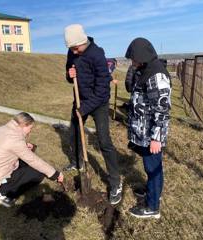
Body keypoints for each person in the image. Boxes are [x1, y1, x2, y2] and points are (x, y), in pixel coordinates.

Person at [63, 24, 122, 205]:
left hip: (98, 104)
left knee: (104, 141)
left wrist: (85, 108)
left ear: (83, 41)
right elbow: (69, 75)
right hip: (80, 99)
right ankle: (77, 162)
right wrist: (69, 73)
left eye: (76, 47)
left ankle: (115, 183)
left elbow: (103, 91)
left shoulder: (97, 54)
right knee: (73, 133)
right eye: (71, 48)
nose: (74, 51)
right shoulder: (73, 52)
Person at [125, 38, 171, 219]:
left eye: (133, 58)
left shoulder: (156, 75)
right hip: (145, 132)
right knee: (152, 167)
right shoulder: (147, 70)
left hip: (151, 134)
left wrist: (156, 138)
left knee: (153, 169)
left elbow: (162, 108)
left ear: (142, 56)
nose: (132, 62)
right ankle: (153, 192)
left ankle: (152, 208)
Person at [0, 112, 63, 207]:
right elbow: (33, 161)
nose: (30, 131)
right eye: (30, 128)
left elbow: (6, 146)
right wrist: (55, 174)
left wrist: (25, 146)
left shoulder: (1, 129)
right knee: (38, 173)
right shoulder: (15, 141)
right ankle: (4, 194)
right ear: (24, 125)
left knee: (26, 164)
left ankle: (7, 187)